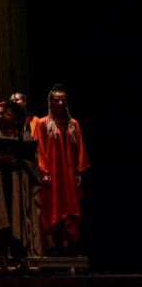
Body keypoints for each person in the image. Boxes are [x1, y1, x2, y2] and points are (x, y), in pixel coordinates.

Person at [0, 100, 43, 267]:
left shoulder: (25, 137)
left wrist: (20, 161)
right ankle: (4, 265)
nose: (2, 116)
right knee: (0, 225)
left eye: (7, 114)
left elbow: (33, 161)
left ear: (16, 119)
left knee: (18, 221)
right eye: (1, 114)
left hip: (17, 183)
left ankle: (20, 262)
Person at [35, 84, 90, 256]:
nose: (60, 103)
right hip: (52, 172)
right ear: (50, 102)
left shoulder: (73, 124)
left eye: (63, 100)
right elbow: (39, 148)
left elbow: (80, 148)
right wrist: (43, 172)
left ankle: (67, 246)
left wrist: (79, 171)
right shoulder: (43, 123)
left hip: (69, 173)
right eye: (56, 100)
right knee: (51, 206)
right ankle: (51, 245)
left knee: (70, 207)